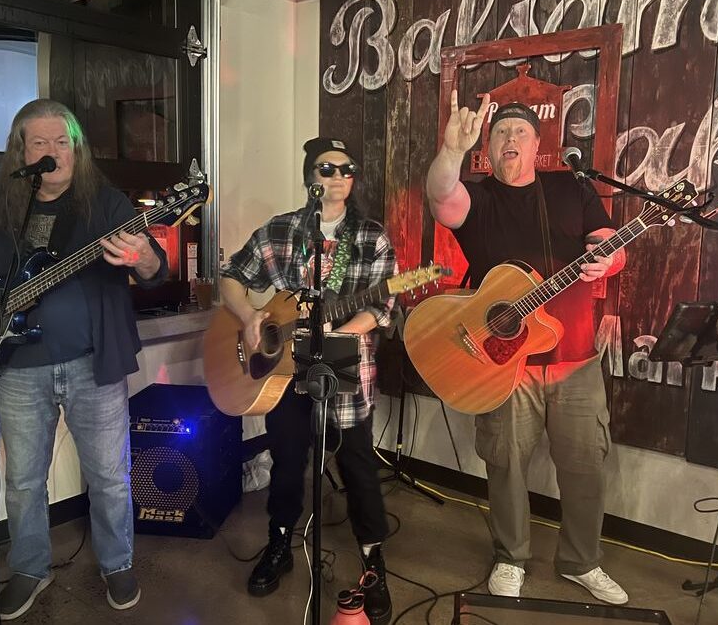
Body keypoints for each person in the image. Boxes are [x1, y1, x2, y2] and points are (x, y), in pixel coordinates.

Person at [0, 99, 168, 620]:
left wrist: (145, 257)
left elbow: (154, 265)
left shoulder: (105, 204)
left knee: (108, 475)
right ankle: (29, 568)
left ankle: (117, 562)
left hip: (93, 364)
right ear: (22, 150)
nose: (53, 152)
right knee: (21, 479)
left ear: (77, 150)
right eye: (40, 143)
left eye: (62, 142)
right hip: (16, 366)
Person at [424, 90, 629, 605]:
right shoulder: (478, 199)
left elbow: (611, 243)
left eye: (519, 132)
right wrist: (451, 149)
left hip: (575, 360)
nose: (509, 139)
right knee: (506, 464)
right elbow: (440, 197)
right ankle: (510, 557)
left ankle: (582, 561)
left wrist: (610, 261)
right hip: (501, 364)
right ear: (486, 150)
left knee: (586, 466)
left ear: (539, 145)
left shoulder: (571, 188)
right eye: (499, 134)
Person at [219, 137, 397, 624]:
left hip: (344, 368)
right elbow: (231, 274)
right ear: (309, 177)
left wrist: (339, 327)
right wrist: (251, 316)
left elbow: (381, 307)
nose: (338, 177)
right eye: (327, 168)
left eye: (347, 169)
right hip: (283, 375)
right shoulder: (281, 230)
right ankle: (280, 541)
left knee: (358, 463)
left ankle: (372, 557)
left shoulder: (371, 237)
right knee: (287, 459)